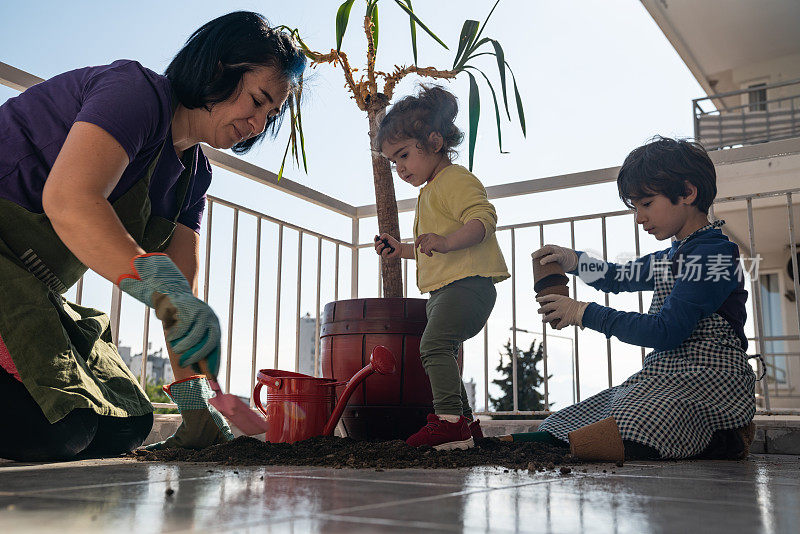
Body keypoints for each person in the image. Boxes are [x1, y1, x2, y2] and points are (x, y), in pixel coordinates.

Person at [0, 11, 306, 461]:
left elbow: (180, 299)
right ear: (220, 68)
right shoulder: (135, 93)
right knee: (58, 427)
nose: (258, 124)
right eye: (257, 101)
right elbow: (70, 201)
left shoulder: (193, 176)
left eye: (271, 114)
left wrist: (197, 407)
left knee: (127, 424)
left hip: (25, 288)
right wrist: (165, 292)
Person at [528, 136, 756, 460]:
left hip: (710, 381)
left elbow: (666, 331)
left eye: (646, 204)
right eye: (635, 207)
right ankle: (694, 435)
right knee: (561, 423)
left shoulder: (713, 255)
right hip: (666, 377)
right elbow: (615, 277)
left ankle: (727, 435)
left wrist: (582, 312)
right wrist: (574, 260)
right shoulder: (671, 256)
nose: (639, 218)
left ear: (688, 193)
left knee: (631, 425)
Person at [374, 85, 510, 450]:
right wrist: (400, 249)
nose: (400, 168)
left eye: (403, 155)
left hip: (468, 287)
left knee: (433, 345)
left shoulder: (455, 179)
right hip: (445, 290)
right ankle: (465, 427)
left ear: (434, 142)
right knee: (441, 350)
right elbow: (431, 248)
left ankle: (449, 424)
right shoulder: (430, 190)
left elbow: (484, 219)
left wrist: (447, 242)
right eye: (393, 162)